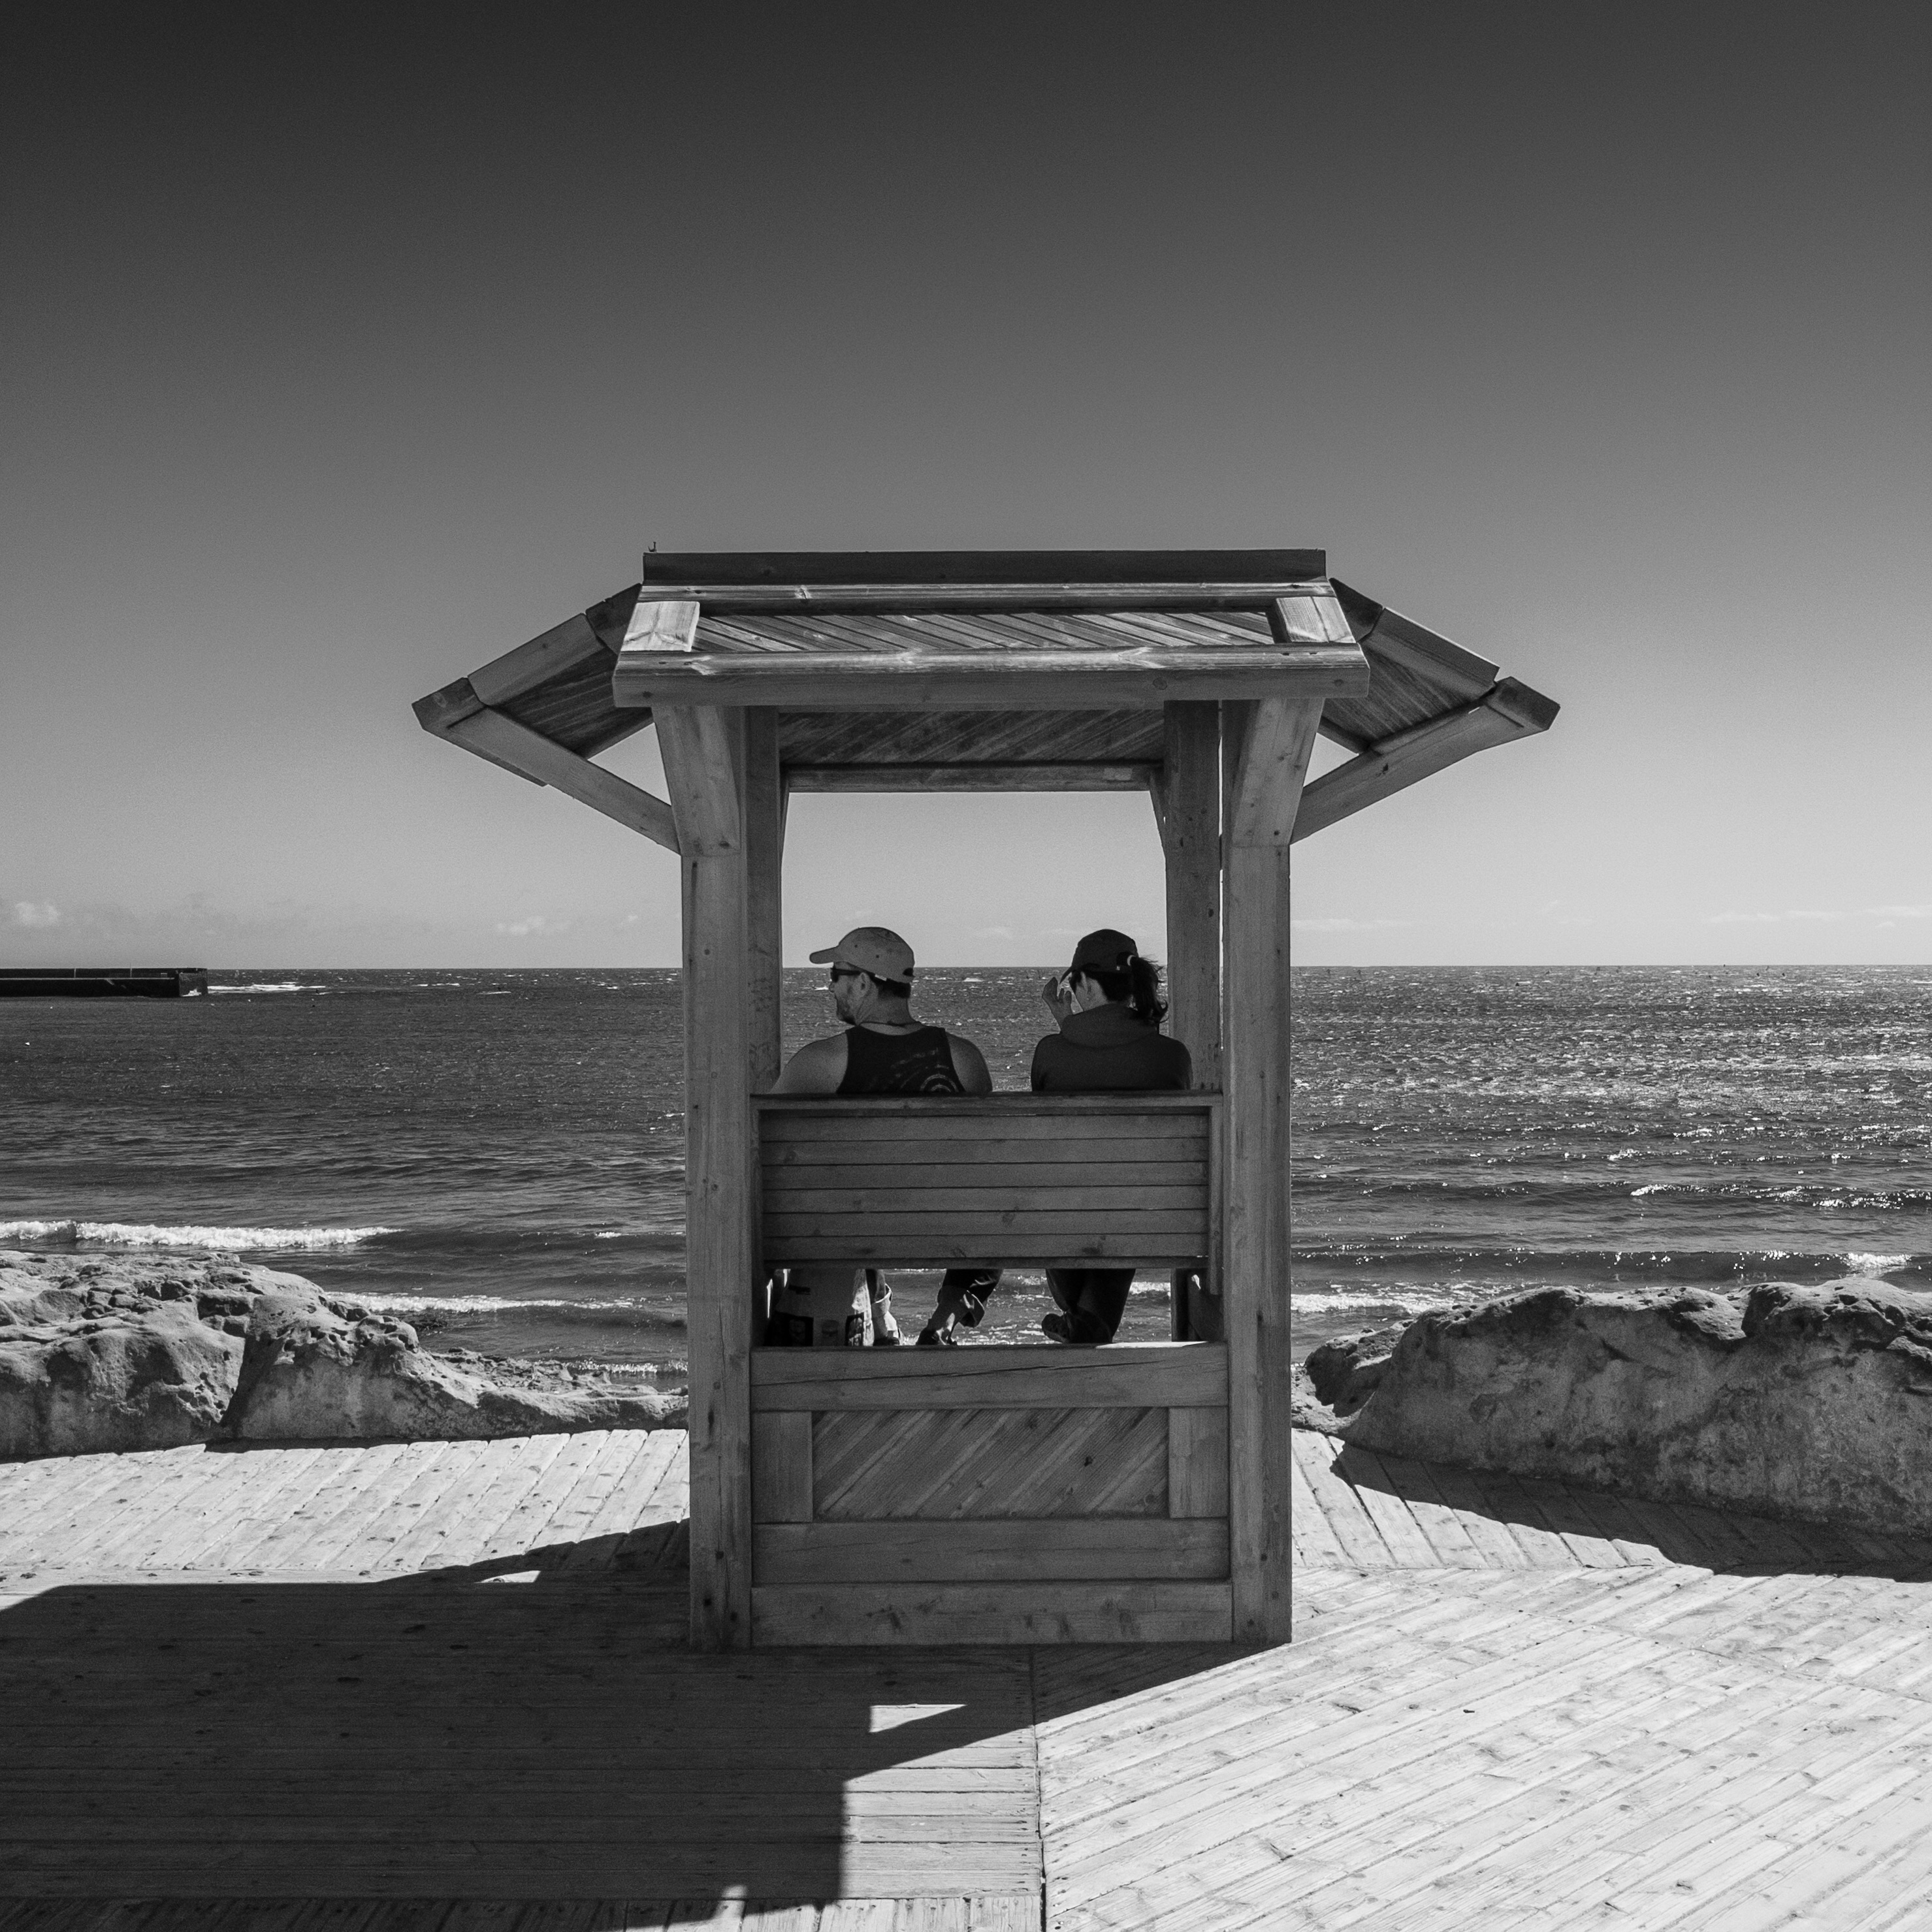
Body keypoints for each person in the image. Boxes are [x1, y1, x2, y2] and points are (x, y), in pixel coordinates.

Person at [770, 926, 993, 1345]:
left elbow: (763, 1149)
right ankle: (934, 1316)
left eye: (835, 976)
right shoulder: (965, 1059)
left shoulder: (821, 1062)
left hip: (850, 1230)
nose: (830, 987)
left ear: (862, 983)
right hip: (949, 1231)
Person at [1030, 927, 1191, 1344]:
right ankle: (1087, 1324)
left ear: (1084, 983)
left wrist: (1068, 1027)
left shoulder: (1050, 1053)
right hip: (1150, 1212)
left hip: (1063, 1211)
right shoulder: (1172, 1056)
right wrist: (1073, 1026)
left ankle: (1084, 1322)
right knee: (1124, 1197)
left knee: (1073, 1196)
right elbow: (1128, 1053)